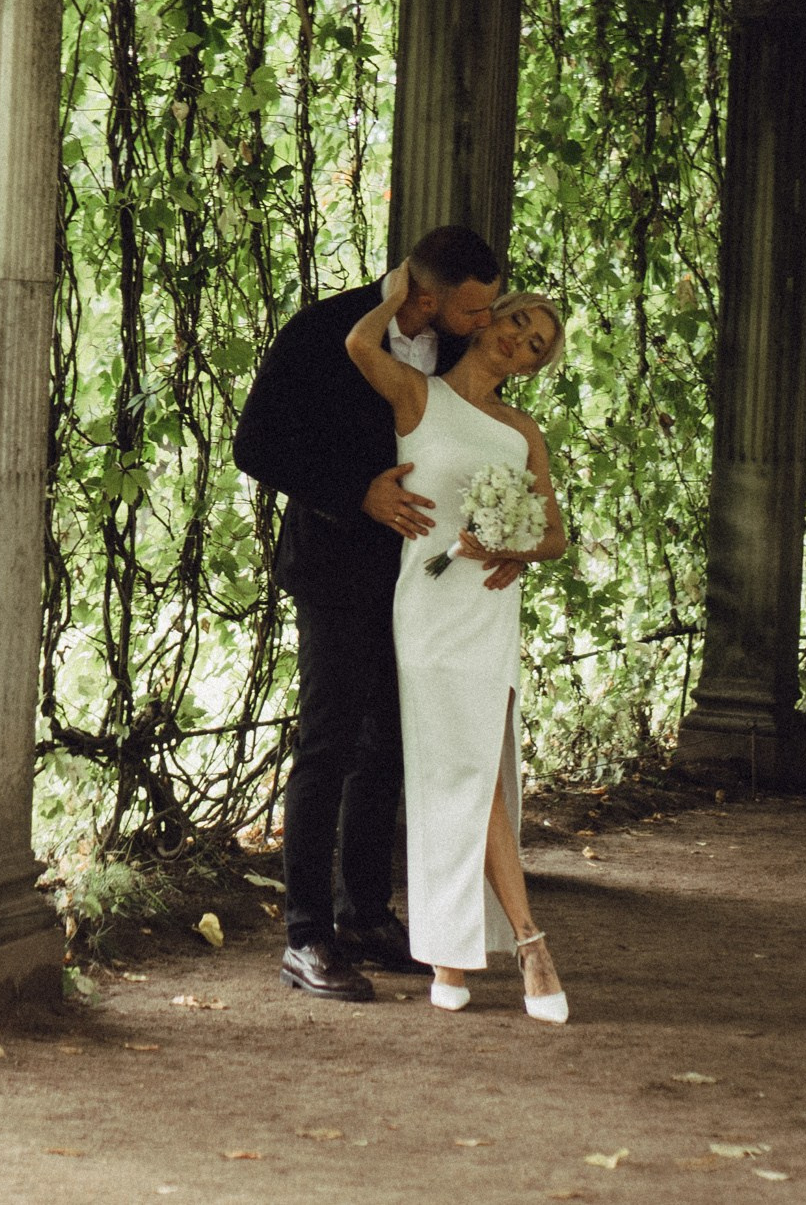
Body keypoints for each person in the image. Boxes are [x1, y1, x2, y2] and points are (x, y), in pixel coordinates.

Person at [231, 226, 503, 1001]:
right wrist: (358, 490)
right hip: (336, 568)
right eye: (474, 309)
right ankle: (306, 935)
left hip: (423, 578)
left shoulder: (453, 350)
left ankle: (364, 915)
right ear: (426, 295)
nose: (484, 323)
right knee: (328, 741)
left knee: (387, 744)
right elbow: (256, 444)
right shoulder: (324, 330)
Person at [344, 275, 571, 1021]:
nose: (520, 340)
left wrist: (513, 547)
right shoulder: (418, 395)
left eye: (536, 345)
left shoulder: (521, 431)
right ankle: (528, 942)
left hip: (487, 608)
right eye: (518, 322)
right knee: (458, 774)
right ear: (489, 320)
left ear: (534, 367)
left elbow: (555, 535)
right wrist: (399, 289)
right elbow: (356, 342)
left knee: (478, 773)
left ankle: (453, 956)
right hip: (429, 610)